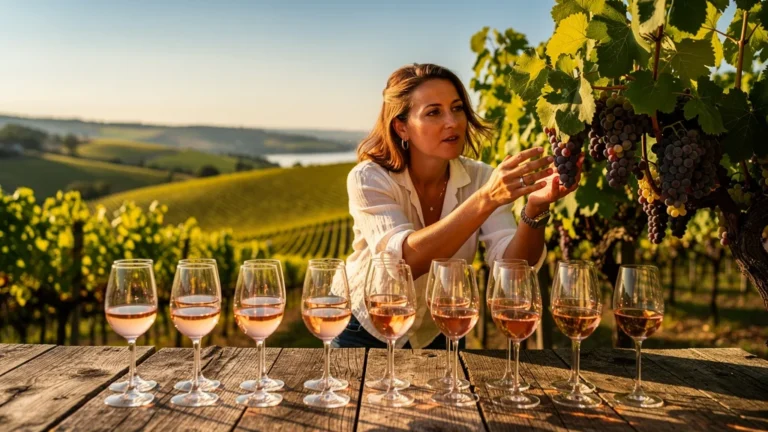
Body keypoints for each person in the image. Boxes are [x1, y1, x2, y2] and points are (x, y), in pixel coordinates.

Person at [334, 63, 581, 349]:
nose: (452, 121)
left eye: (457, 108)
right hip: (369, 325)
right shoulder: (369, 178)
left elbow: (513, 271)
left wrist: (535, 208)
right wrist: (486, 199)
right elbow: (403, 263)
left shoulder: (481, 178)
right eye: (434, 112)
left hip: (443, 326)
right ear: (402, 126)